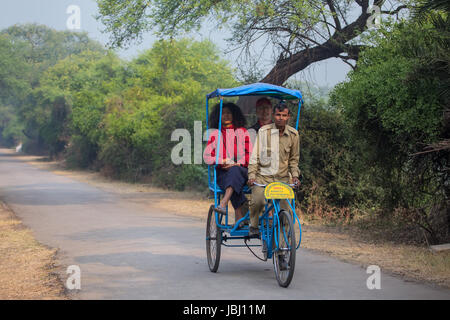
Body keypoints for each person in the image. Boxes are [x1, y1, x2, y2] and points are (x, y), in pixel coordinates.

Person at [247, 101, 300, 236]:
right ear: (273, 115)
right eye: (278, 115)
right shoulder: (264, 131)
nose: (280, 118)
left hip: (282, 179)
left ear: (288, 117)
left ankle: (282, 248)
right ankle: (253, 225)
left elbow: (294, 160)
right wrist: (252, 176)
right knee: (258, 201)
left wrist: (295, 176)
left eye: (284, 115)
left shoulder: (294, 135)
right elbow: (255, 156)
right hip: (263, 178)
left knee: (286, 211)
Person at [204, 102, 252, 226]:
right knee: (232, 175)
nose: (226, 115)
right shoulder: (215, 134)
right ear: (218, 116)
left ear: (234, 115)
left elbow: (250, 155)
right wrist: (223, 161)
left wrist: (237, 163)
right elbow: (207, 157)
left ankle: (224, 203)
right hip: (223, 173)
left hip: (242, 170)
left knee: (235, 171)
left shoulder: (242, 131)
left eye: (228, 113)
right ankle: (239, 214)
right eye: (223, 113)